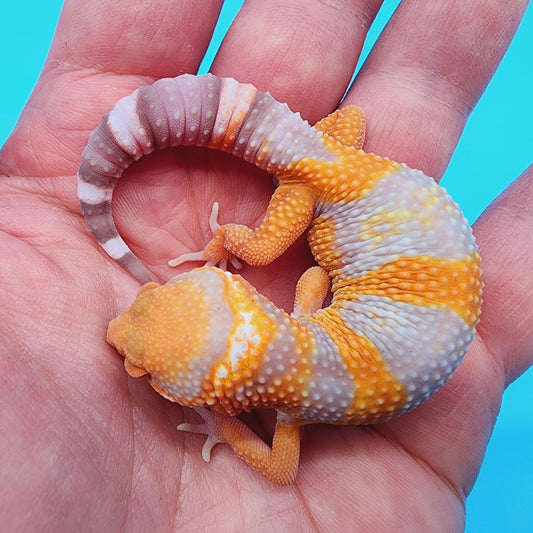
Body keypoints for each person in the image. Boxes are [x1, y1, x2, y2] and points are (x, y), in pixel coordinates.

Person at [0, 0, 531, 530]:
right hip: (357, 184)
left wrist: (221, 424)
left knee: (266, 241)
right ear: (236, 295)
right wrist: (222, 420)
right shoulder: (296, 400)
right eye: (137, 356)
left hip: (350, 173)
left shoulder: (298, 397)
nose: (114, 333)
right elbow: (315, 279)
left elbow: (314, 283)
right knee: (257, 244)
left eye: (140, 368)